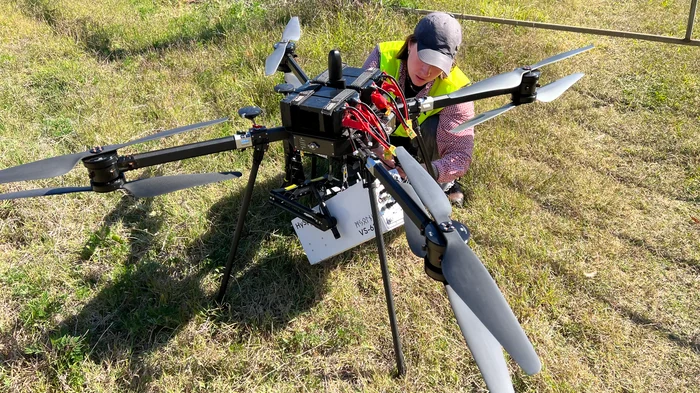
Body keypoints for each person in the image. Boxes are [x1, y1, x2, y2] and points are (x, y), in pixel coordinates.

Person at [363, 12, 475, 206]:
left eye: (436, 65)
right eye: (423, 59)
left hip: (422, 145)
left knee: (434, 127)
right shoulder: (382, 58)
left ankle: (444, 185)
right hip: (381, 136)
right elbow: (357, 109)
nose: (426, 71)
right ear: (410, 45)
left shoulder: (456, 87)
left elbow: (460, 156)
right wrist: (375, 147)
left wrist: (422, 171)